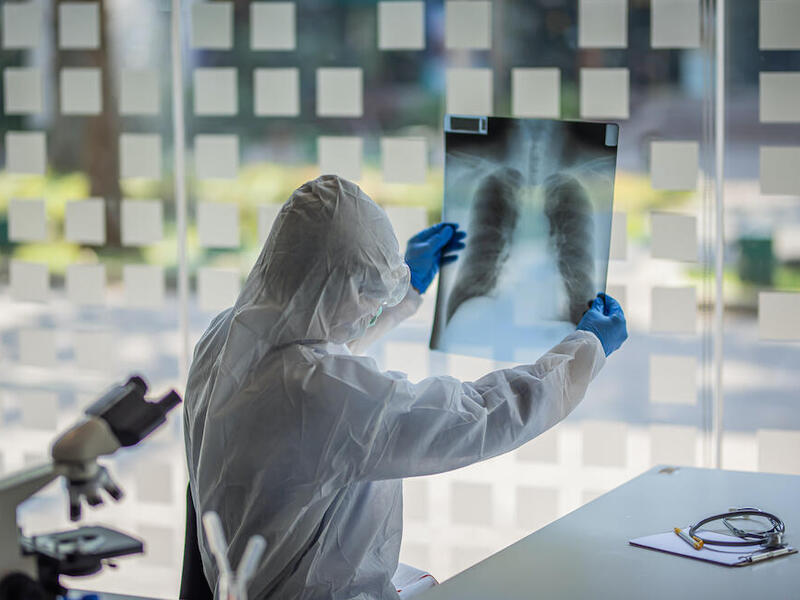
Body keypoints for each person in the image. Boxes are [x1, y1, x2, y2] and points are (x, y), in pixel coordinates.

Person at [184, 175, 627, 600]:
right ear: (336, 289)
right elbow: (476, 415)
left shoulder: (225, 336)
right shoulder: (327, 396)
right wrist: (584, 350)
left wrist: (404, 289)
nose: (374, 309)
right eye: (367, 294)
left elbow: (311, 350)